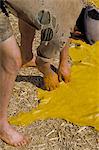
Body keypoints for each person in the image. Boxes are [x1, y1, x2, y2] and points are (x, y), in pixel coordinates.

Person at [0, 0, 84, 147]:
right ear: (77, 33)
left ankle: (26, 55)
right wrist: (48, 74)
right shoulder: (59, 32)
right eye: (79, 39)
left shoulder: (78, 6)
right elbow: (42, 62)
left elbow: (69, 23)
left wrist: (64, 62)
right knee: (11, 61)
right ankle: (1, 125)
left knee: (29, 15)